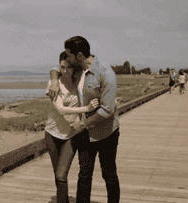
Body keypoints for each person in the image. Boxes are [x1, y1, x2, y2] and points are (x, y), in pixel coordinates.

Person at [48, 36, 120, 203]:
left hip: (106, 132)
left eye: (69, 55)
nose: (67, 58)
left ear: (79, 55)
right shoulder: (77, 69)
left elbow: (108, 109)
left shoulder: (105, 73)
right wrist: (54, 81)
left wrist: (84, 123)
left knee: (108, 172)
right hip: (85, 134)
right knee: (85, 173)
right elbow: (56, 66)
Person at [45, 51, 99, 203]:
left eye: (69, 67)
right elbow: (61, 109)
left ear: (73, 68)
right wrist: (85, 110)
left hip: (70, 135)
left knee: (61, 175)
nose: (65, 71)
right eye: (62, 67)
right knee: (58, 176)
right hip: (51, 134)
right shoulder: (53, 84)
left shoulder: (78, 81)